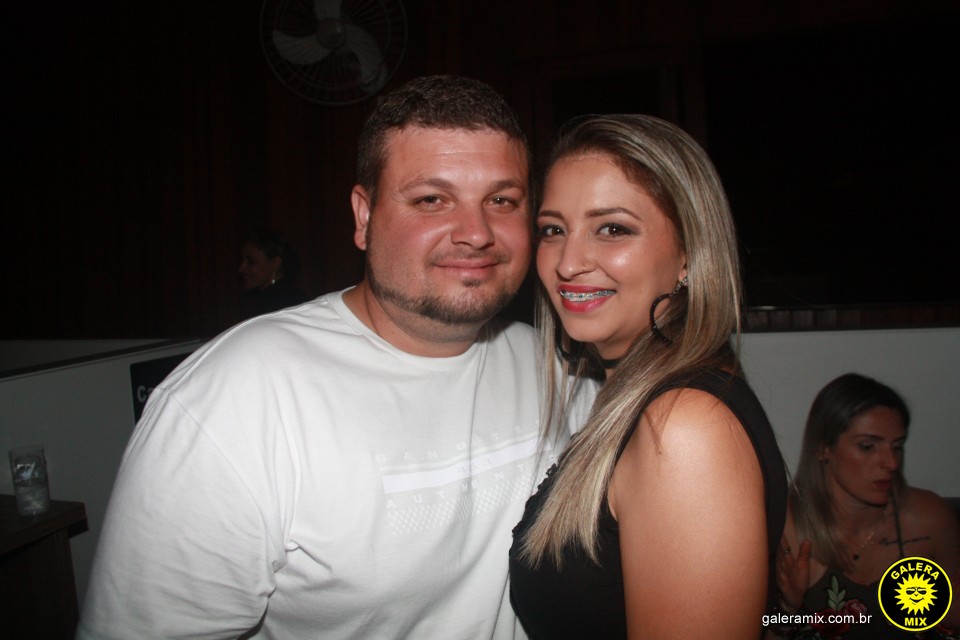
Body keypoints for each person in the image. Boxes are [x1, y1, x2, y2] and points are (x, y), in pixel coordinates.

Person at [77, 75, 592, 640]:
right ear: (364, 217)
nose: (476, 233)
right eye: (431, 199)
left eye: (501, 200)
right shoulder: (235, 398)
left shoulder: (559, 367)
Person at [508, 114, 788, 639]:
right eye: (553, 230)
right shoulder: (632, 397)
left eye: (612, 229)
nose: (568, 262)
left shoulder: (684, 426)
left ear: (688, 254)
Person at [770, 373, 960, 639]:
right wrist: (789, 608)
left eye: (897, 446)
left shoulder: (929, 519)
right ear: (824, 448)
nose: (891, 463)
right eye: (868, 446)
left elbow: (952, 620)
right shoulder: (785, 525)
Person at [237, 229, 311, 319]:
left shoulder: (272, 304)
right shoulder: (296, 298)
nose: (242, 268)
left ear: (275, 263)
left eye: (251, 261)